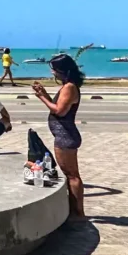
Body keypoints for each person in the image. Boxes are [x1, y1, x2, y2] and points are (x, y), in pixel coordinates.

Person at [33, 54, 85, 219]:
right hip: (63, 135)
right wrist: (45, 94)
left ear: (63, 71)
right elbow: (57, 106)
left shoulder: (69, 87)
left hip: (65, 136)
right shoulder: (67, 86)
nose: (52, 72)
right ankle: (74, 211)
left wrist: (41, 98)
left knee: (72, 175)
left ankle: (78, 213)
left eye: (54, 69)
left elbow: (59, 111)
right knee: (70, 175)